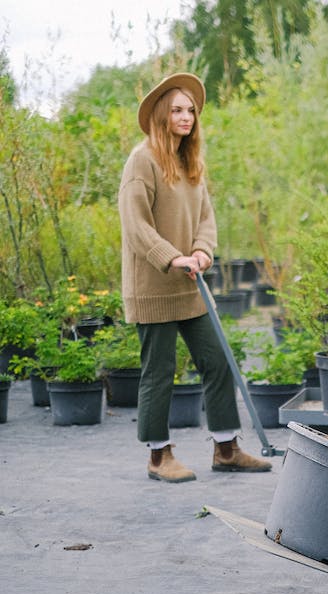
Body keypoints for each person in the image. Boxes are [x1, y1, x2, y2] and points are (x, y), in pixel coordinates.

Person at [118, 73, 271, 482]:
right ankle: (158, 456)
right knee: (159, 370)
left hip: (190, 285)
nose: (186, 117)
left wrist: (202, 250)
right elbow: (136, 226)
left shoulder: (192, 163)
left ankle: (226, 448)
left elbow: (206, 217)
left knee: (217, 360)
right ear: (160, 115)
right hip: (154, 286)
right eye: (177, 110)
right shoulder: (142, 160)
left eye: (191, 111)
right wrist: (172, 258)